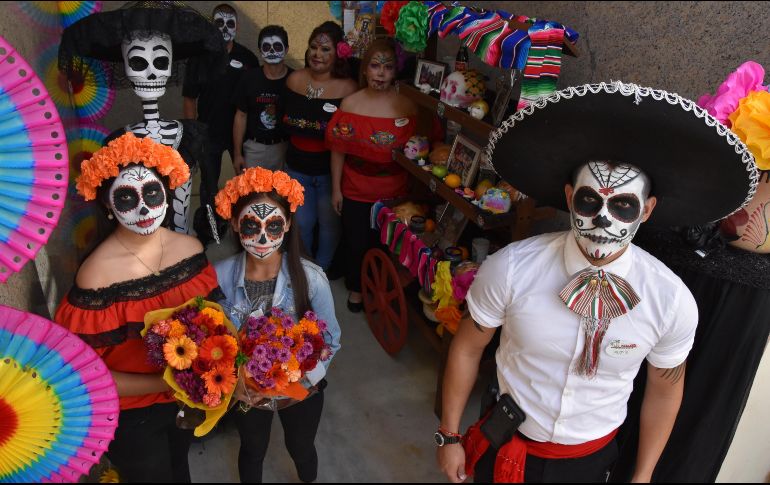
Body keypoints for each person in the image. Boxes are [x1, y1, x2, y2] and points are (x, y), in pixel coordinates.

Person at [435, 81, 759, 483]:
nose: (603, 219)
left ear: (646, 211)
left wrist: (642, 476)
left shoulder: (670, 300)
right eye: (590, 201)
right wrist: (449, 434)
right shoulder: (511, 268)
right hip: (504, 443)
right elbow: (468, 346)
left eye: (623, 206)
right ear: (570, 197)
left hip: (589, 462)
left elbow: (664, 390)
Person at [54, 133, 223, 482]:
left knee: (181, 468)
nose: (144, 209)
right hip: (133, 418)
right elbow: (88, 376)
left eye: (152, 193)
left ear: (167, 192)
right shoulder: (96, 278)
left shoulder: (190, 250)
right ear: (107, 203)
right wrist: (169, 382)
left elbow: (213, 328)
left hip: (186, 402)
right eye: (128, 197)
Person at [213, 167, 342, 483]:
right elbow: (212, 338)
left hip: (300, 392)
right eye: (250, 225)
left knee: (301, 447)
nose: (262, 238)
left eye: (273, 226)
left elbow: (330, 340)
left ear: (287, 224)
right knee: (252, 449)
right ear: (234, 223)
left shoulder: (311, 279)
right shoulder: (218, 277)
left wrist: (299, 381)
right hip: (246, 394)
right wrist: (235, 384)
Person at [59, 1, 227, 234]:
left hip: (182, 236)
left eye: (160, 62)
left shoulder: (189, 135)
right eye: (138, 63)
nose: (150, 73)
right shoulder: (120, 142)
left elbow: (205, 188)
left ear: (170, 66)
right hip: (143, 235)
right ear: (126, 68)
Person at [326, 38, 417, 312]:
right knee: (356, 243)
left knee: (387, 244)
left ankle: (381, 288)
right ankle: (357, 288)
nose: (381, 73)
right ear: (365, 69)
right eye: (375, 66)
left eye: (388, 67)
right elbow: (338, 150)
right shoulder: (349, 104)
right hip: (355, 188)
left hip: (394, 191)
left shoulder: (407, 106)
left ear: (395, 71)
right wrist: (336, 189)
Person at [280, 21, 358, 271]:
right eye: (314, 47)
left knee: (329, 224)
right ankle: (304, 270)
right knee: (302, 223)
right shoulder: (293, 80)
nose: (317, 54)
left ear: (338, 53)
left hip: (329, 173)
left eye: (325, 49)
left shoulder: (348, 88)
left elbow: (348, 136)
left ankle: (321, 272)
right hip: (296, 168)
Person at [183, 3, 260, 245]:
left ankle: (247, 227)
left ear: (237, 27)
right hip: (209, 133)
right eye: (219, 23)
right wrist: (193, 133)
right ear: (211, 25)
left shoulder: (248, 58)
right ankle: (210, 230)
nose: (225, 28)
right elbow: (189, 98)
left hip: (243, 133)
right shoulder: (199, 58)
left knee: (246, 183)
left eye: (230, 23)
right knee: (209, 186)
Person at [232, 25, 293, 174]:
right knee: (252, 189)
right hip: (254, 149)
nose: (272, 51)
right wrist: (237, 154)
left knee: (282, 189)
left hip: (284, 148)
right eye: (266, 47)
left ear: (286, 49)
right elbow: (240, 116)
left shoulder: (295, 80)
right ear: (260, 50)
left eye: (277, 46)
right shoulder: (249, 78)